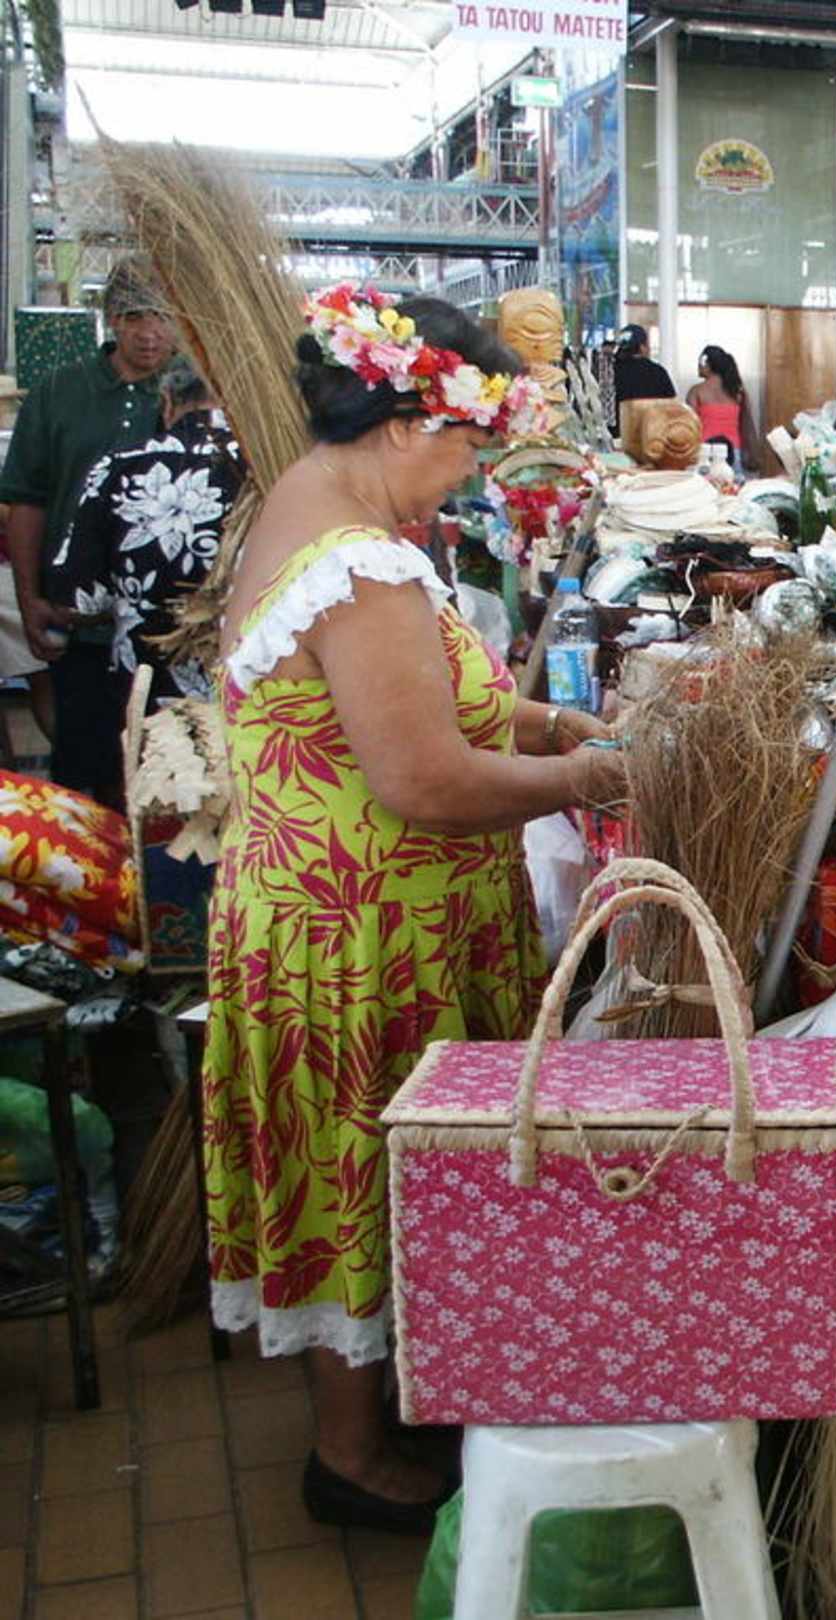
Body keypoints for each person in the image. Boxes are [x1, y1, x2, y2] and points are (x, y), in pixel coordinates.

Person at [201, 286, 625, 1533]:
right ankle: (349, 1457)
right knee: (360, 1173)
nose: (469, 476)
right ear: (402, 426)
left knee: (370, 1173)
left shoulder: (305, 504)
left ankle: (400, 1396)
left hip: (322, 914)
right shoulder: (362, 568)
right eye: (466, 448)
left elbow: (407, 705)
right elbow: (426, 779)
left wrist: (550, 723)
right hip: (366, 938)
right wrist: (592, 779)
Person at [0, 255, 175, 798]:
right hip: (80, 623)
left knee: (171, 779)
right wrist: (30, 599)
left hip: (171, 628)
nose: (149, 332)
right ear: (111, 318)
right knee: (82, 767)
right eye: (134, 317)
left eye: (162, 317)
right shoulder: (60, 392)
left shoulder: (193, 393)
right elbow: (27, 501)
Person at [47, 355, 243, 707]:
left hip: (146, 687)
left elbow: (78, 599)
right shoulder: (264, 467)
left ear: (167, 401)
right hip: (243, 686)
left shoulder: (119, 465)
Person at [685, 345, 759, 471]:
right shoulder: (737, 392)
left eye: (700, 363)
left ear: (708, 365)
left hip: (705, 450)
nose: (698, 366)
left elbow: (690, 426)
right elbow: (746, 425)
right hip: (734, 450)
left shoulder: (696, 391)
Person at [610, 324, 676, 430]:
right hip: (652, 433)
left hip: (618, 433)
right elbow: (671, 406)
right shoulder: (658, 372)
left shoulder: (611, 372)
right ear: (642, 347)